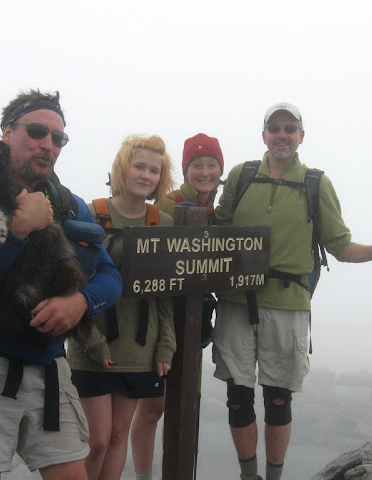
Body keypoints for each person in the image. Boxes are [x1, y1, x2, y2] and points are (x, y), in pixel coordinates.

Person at [0, 89, 122, 480]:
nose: (48, 144)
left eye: (58, 138)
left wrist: (79, 303)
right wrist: (19, 228)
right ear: (6, 133)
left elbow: (110, 277)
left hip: (47, 364)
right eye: (37, 131)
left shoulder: (69, 204)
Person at [212, 102, 372, 480]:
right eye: (275, 128)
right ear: (264, 135)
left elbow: (340, 245)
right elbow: (216, 229)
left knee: (278, 400)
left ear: (301, 136)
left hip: (288, 303)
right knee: (238, 399)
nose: (282, 135)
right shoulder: (242, 175)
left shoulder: (316, 183)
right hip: (236, 300)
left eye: (290, 128)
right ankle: (249, 476)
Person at [67, 134, 177, 480]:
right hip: (92, 344)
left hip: (139, 347)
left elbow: (164, 293)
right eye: (139, 166)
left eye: (154, 170)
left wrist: (166, 345)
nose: (146, 175)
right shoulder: (92, 214)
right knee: (96, 441)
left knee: (117, 437)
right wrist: (91, 342)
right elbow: (72, 284)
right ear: (122, 168)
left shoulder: (163, 223)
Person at [131, 132, 224, 480]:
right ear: (185, 171)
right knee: (153, 407)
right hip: (161, 320)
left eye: (211, 164)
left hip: (193, 322)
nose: (205, 172)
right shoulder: (169, 206)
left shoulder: (217, 211)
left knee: (182, 404)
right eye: (197, 165)